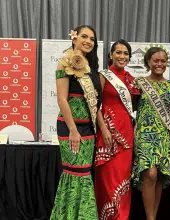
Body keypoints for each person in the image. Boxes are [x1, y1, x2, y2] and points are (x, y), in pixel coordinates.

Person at [50, 25, 101, 220]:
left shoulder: (91, 66)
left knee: (84, 173)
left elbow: (96, 102)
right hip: (70, 127)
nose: (88, 41)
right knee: (74, 173)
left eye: (92, 39)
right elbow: (62, 99)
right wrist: (72, 129)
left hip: (88, 128)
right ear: (74, 38)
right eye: (84, 37)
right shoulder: (63, 63)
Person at [132, 47, 170, 220]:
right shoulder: (138, 83)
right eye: (155, 60)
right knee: (150, 173)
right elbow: (129, 106)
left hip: (163, 135)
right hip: (144, 135)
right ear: (148, 62)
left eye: (163, 61)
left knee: (159, 175)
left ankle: (152, 216)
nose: (159, 64)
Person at [94, 39, 140, 220]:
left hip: (126, 135)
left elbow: (135, 107)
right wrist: (104, 129)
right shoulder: (103, 76)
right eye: (118, 52)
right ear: (111, 55)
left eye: (126, 53)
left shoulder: (131, 79)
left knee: (123, 182)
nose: (122, 56)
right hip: (108, 134)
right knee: (107, 181)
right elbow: (95, 106)